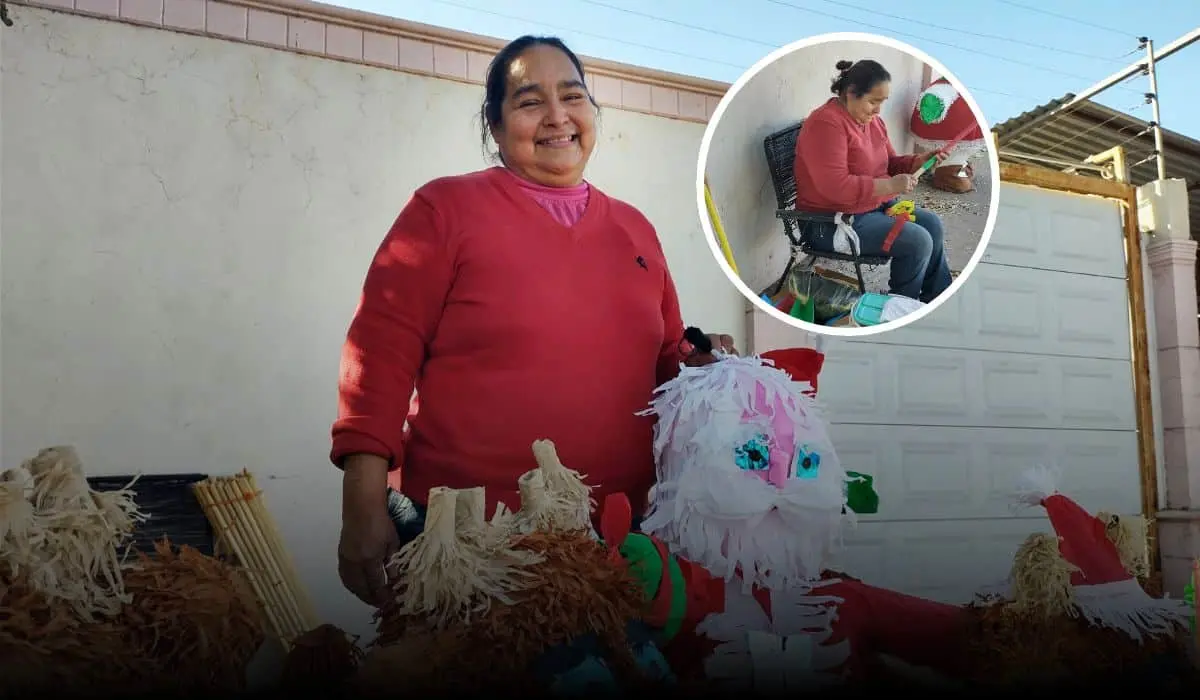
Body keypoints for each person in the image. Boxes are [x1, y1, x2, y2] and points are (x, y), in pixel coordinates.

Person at [330, 34, 737, 608]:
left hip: (618, 542)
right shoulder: (444, 210)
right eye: (529, 101)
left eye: (572, 96)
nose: (557, 117)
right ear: (495, 127)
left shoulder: (635, 229)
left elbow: (666, 359)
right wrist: (362, 508)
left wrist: (704, 367)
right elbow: (378, 360)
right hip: (469, 543)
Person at [794, 59, 953, 303]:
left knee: (932, 224)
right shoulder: (826, 124)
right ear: (850, 94)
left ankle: (937, 298)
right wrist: (889, 186)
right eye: (873, 101)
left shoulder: (873, 122)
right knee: (916, 241)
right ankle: (901, 307)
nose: (878, 110)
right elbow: (835, 187)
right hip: (830, 223)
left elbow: (890, 163)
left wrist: (920, 161)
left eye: (882, 102)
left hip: (870, 208)